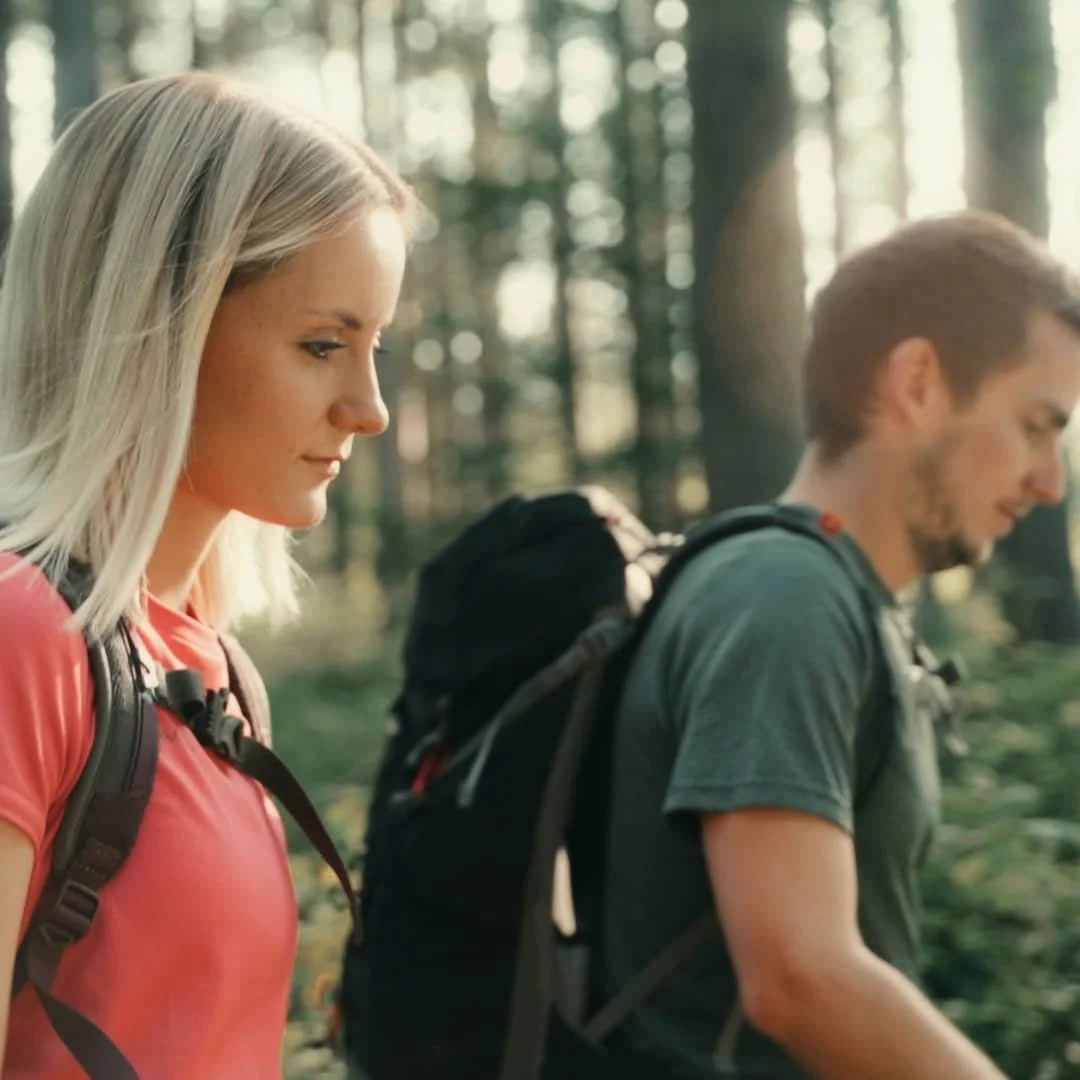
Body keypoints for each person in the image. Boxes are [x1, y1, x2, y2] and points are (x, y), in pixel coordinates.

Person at [600, 210, 1080, 1078]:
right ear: (920, 379)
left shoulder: (831, 599)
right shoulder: (786, 597)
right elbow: (802, 976)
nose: (1049, 480)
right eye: (1036, 425)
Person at [0, 72, 414, 1076]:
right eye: (323, 344)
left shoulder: (206, 671)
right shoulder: (25, 636)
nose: (370, 408)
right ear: (159, 326)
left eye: (374, 349)